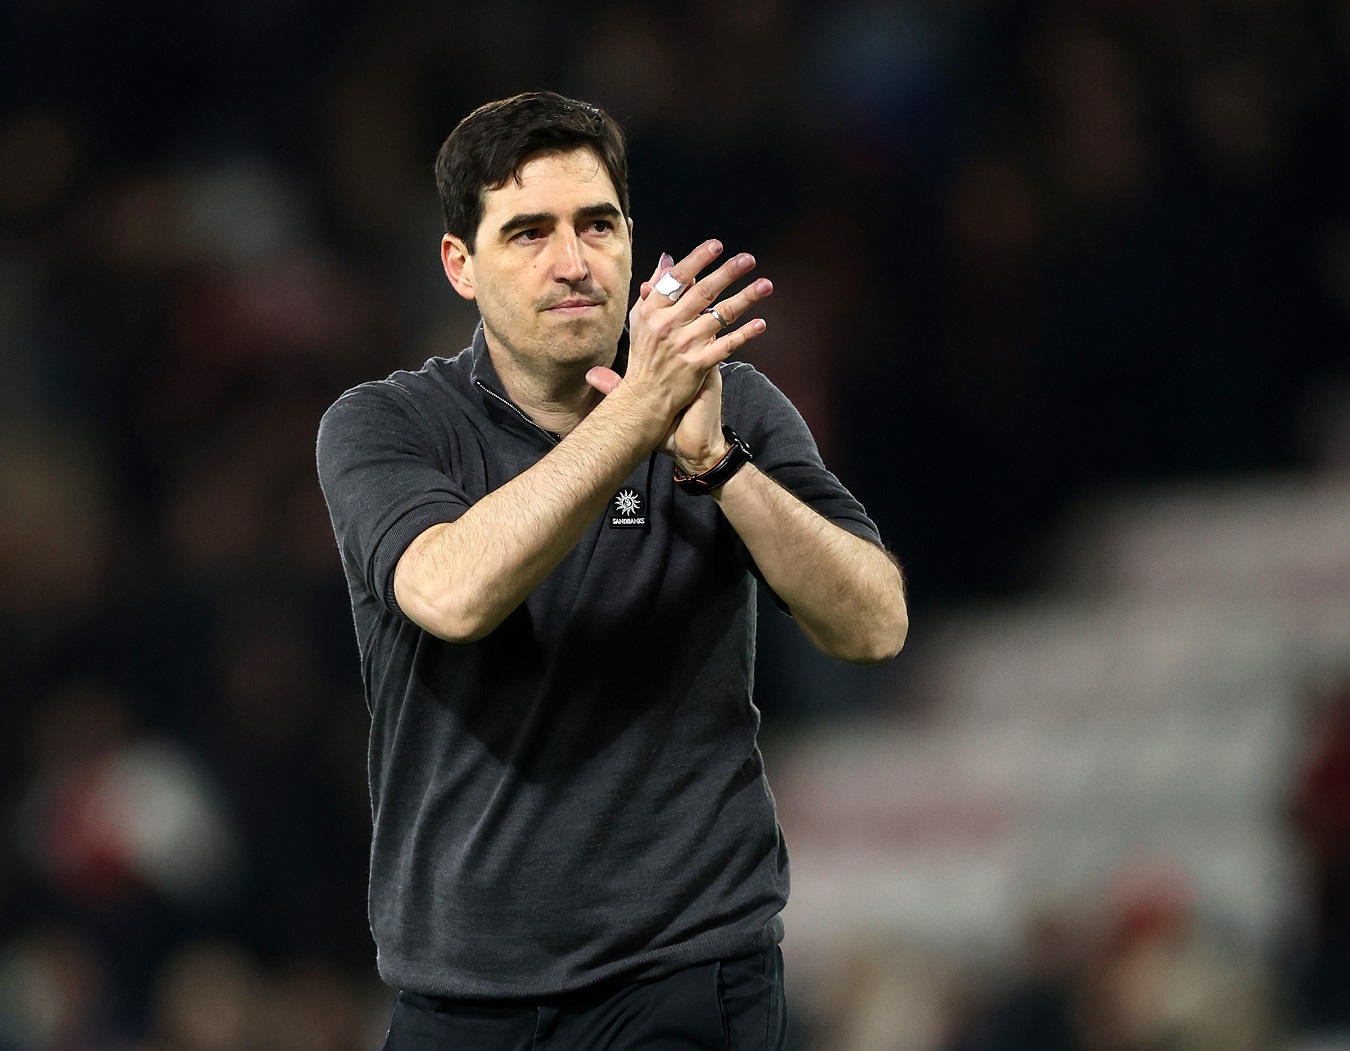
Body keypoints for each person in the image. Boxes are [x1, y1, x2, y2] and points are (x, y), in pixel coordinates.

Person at [316, 91, 907, 1051]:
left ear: (633, 242)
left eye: (599, 224)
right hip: (455, 991)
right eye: (527, 233)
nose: (572, 262)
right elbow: (452, 593)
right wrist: (638, 415)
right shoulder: (386, 425)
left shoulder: (730, 402)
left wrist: (719, 467)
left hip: (679, 971)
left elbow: (875, 622)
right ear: (459, 266)